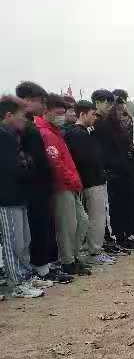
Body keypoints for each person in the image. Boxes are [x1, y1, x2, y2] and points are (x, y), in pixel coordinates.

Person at [15, 81, 71, 282]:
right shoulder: (22, 127)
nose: (44, 106)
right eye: (41, 102)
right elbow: (25, 159)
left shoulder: (30, 124)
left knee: (45, 226)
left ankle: (45, 265)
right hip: (32, 187)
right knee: (37, 227)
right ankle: (40, 268)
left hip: (42, 185)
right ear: (28, 101)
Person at [0, 95, 50, 298]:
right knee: (13, 243)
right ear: (8, 115)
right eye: (21, 115)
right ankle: (16, 283)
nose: (24, 120)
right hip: (7, 198)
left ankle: (25, 276)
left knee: (24, 241)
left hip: (20, 196)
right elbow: (13, 168)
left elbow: (25, 164)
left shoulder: (12, 136)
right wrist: (27, 166)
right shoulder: (3, 137)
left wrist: (27, 165)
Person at [36, 94, 90, 276]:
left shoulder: (55, 132)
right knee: (67, 226)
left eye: (63, 113)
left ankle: (73, 256)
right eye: (58, 113)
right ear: (46, 111)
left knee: (82, 221)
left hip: (70, 184)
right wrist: (72, 180)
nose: (61, 116)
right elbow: (56, 163)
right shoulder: (45, 133)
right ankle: (68, 261)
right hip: (61, 186)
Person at [64, 101, 116, 264]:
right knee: (97, 217)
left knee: (89, 218)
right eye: (93, 114)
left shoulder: (81, 132)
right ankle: (94, 251)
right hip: (91, 181)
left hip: (88, 181)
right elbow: (86, 160)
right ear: (82, 114)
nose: (95, 118)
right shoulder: (77, 134)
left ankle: (89, 247)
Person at [94, 91, 134, 249]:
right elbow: (105, 151)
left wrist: (132, 152)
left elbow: (126, 146)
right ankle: (119, 236)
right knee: (116, 206)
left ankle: (127, 233)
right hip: (114, 172)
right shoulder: (102, 125)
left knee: (127, 204)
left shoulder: (118, 126)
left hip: (125, 170)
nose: (122, 114)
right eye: (119, 110)